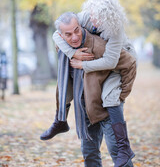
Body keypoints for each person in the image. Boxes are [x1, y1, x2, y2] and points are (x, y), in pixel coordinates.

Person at [40, 10, 136, 166]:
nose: (75, 37)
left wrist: (121, 95)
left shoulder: (98, 45)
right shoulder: (63, 48)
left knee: (118, 153)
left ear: (81, 25)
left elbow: (129, 63)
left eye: (77, 30)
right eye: (68, 34)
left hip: (106, 110)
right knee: (89, 154)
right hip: (84, 110)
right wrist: (72, 53)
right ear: (61, 36)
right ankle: (59, 120)